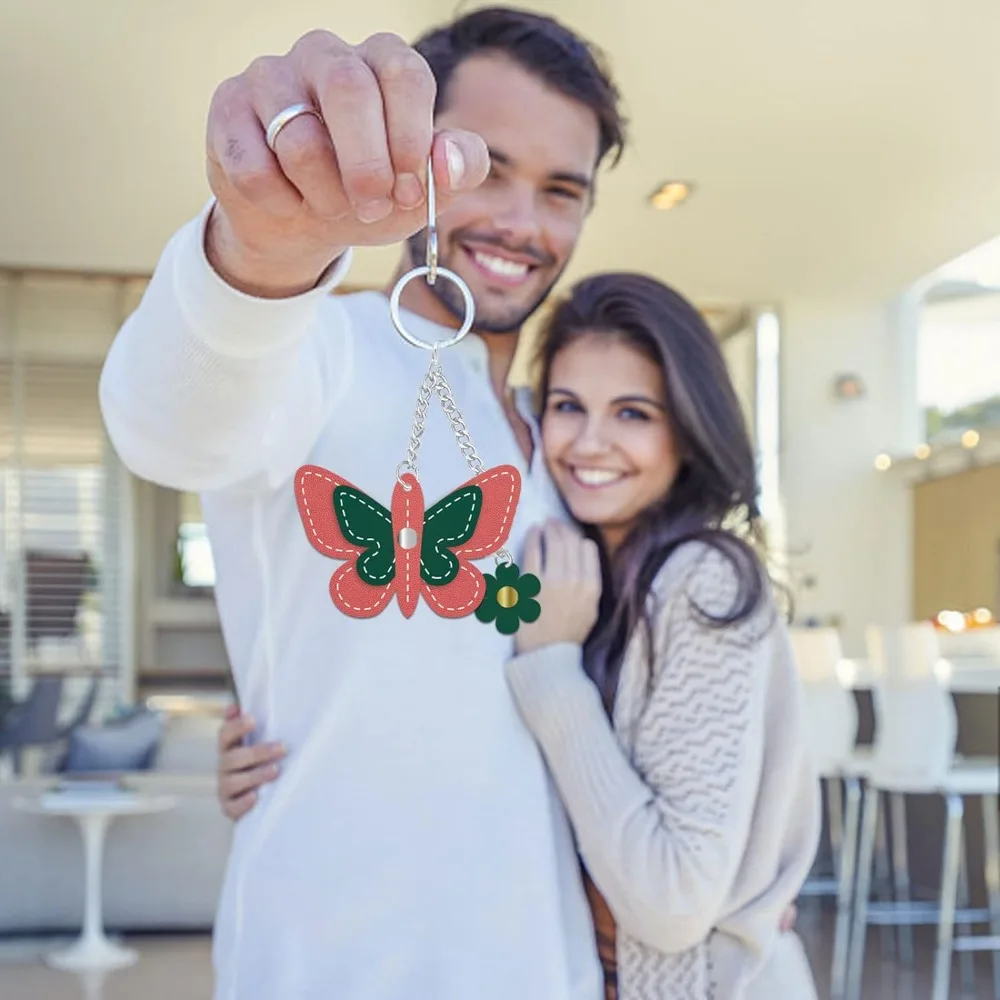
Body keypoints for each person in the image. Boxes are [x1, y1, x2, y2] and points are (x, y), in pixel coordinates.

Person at [99, 7, 799, 998]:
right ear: (414, 161)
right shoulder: (321, 350)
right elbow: (170, 423)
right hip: (334, 962)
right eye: (483, 168)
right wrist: (260, 252)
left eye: (560, 190)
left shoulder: (567, 445)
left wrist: (754, 868)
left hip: (550, 964)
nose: (521, 220)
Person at [218, 272, 822, 999]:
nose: (590, 442)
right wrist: (296, 742)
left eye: (634, 413)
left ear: (689, 430)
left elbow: (670, 905)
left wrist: (555, 669)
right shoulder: (582, 555)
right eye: (568, 406)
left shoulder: (701, 580)